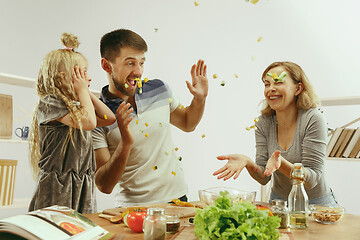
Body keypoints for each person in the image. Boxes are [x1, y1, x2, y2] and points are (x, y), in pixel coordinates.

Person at [92, 29, 208, 207]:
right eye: (130, 63)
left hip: (178, 200)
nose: (138, 71)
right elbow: (104, 185)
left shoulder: (159, 89)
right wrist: (125, 142)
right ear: (107, 66)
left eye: (141, 62)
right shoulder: (99, 116)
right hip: (134, 208)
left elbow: (187, 123)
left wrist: (199, 98)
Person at [214, 61, 337, 206]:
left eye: (278, 82)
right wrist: (248, 163)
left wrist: (281, 164)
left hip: (316, 206)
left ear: (298, 88)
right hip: (279, 204)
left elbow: (312, 179)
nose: (270, 89)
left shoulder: (313, 118)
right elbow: (264, 178)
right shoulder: (263, 122)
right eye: (267, 84)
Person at [28, 33, 116, 214]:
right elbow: (90, 122)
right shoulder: (49, 103)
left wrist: (86, 92)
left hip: (82, 183)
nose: (88, 78)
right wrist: (83, 90)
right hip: (58, 187)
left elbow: (109, 118)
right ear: (62, 78)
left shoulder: (79, 107)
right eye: (82, 74)